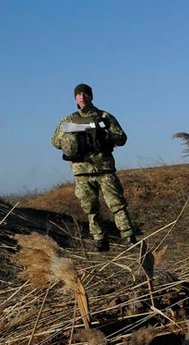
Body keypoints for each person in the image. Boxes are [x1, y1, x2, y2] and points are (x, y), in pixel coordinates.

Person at [52, 83, 137, 252]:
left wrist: (105, 136)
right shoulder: (67, 120)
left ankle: (128, 237)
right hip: (81, 171)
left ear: (91, 96)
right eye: (79, 94)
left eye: (85, 93)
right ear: (75, 97)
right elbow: (55, 142)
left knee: (117, 204)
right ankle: (100, 240)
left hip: (104, 168)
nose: (82, 97)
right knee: (90, 208)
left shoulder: (104, 116)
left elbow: (122, 138)